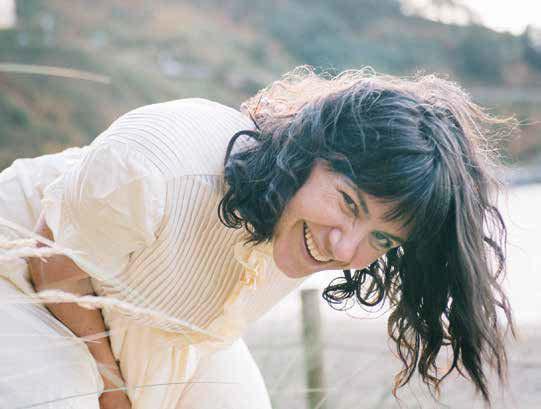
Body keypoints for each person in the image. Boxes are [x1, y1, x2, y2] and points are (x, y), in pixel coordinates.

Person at [0, 66, 513, 409]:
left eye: (380, 239)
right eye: (348, 203)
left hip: (158, 323)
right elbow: (53, 259)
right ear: (309, 149)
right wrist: (115, 393)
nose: (344, 250)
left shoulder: (305, 221)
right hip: (26, 274)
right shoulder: (158, 165)